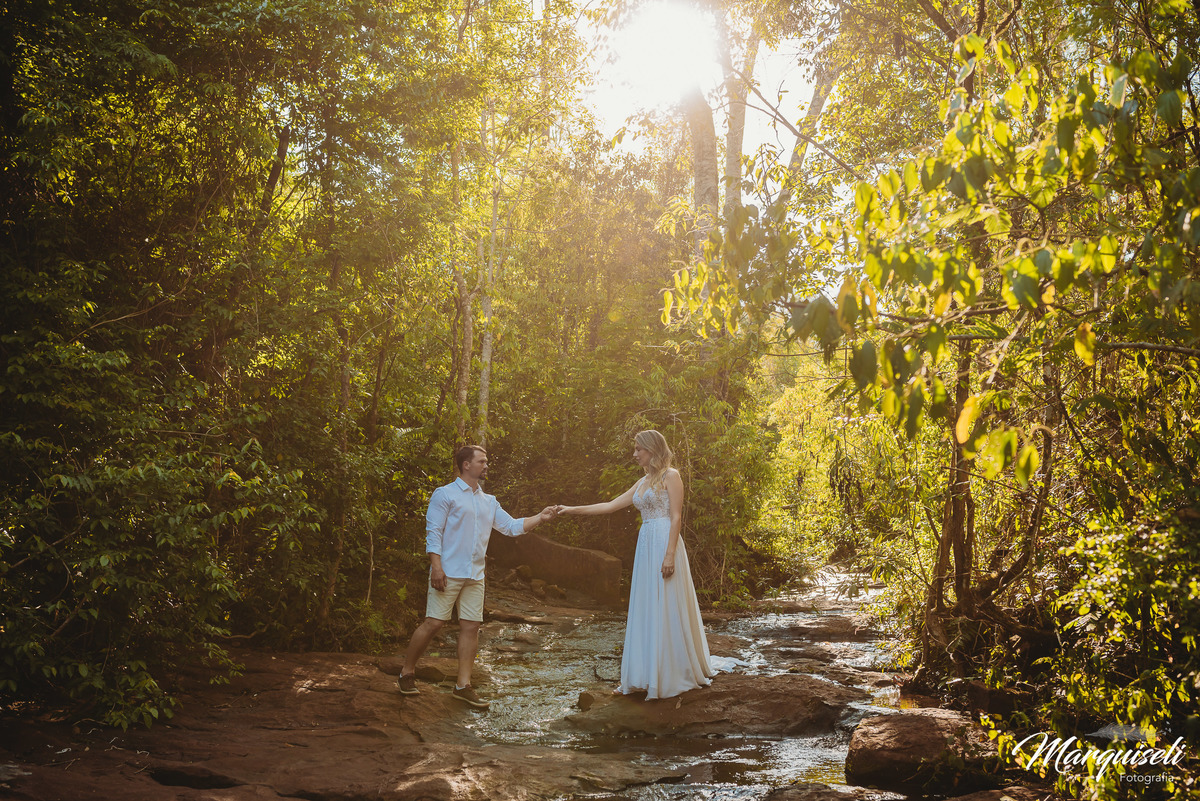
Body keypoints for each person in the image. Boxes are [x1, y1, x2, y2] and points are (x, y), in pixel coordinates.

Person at [555, 430, 737, 699]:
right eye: (635, 449)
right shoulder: (642, 482)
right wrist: (569, 509)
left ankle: (669, 673)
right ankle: (643, 674)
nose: (635, 453)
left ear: (653, 449)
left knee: (666, 603)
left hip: (664, 541)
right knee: (646, 605)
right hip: (646, 544)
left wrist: (669, 555)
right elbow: (609, 506)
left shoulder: (671, 476)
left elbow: (676, 517)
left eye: (639, 449)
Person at [397, 444, 557, 709]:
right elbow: (434, 532)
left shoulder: (489, 501)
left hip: (475, 574)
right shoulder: (445, 494)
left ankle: (463, 686)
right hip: (447, 571)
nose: (486, 465)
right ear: (466, 465)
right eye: (482, 461)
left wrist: (540, 516)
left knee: (471, 627)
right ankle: (406, 673)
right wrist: (436, 566)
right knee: (433, 623)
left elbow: (512, 527)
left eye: (486, 461)